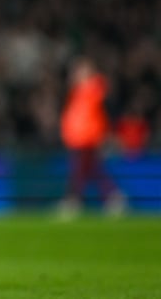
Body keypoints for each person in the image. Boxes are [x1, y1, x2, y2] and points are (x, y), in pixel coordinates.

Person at [57, 56, 126, 220]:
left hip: (88, 138)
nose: (74, 75)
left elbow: (101, 113)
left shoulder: (94, 89)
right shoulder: (78, 92)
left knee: (81, 170)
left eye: (79, 71)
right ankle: (112, 197)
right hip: (79, 139)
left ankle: (74, 201)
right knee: (91, 170)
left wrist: (107, 136)